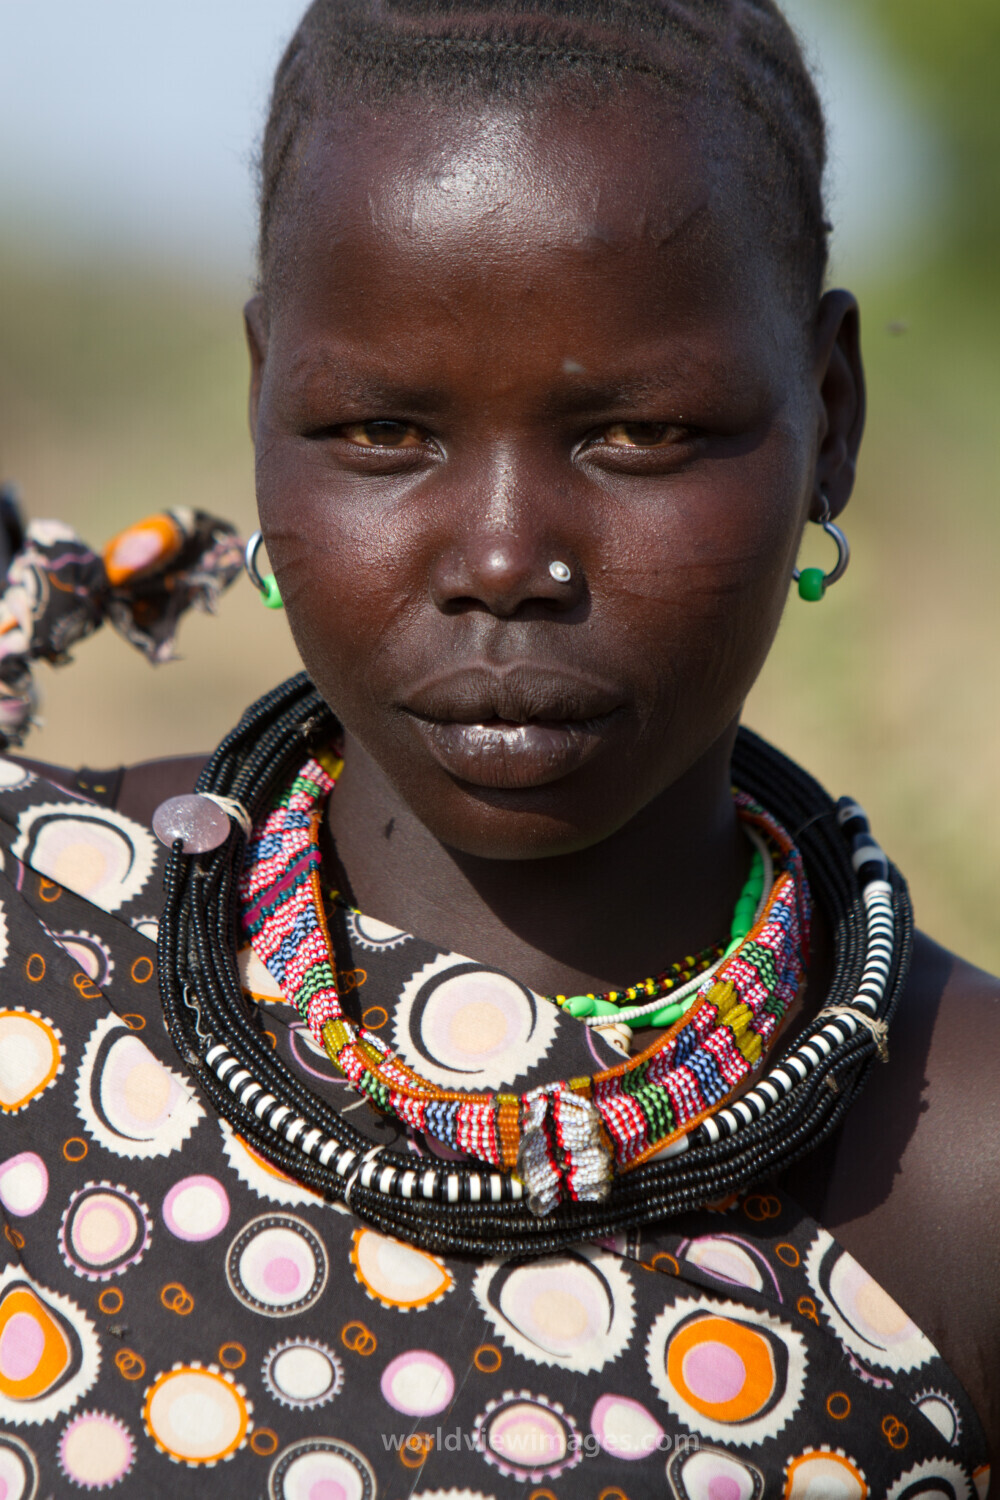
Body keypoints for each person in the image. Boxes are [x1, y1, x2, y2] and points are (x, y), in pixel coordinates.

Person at [0, 1, 996, 1494]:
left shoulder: (959, 1168)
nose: (506, 556)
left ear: (830, 416)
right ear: (263, 398)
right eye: (380, 430)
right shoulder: (39, 956)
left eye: (641, 435)